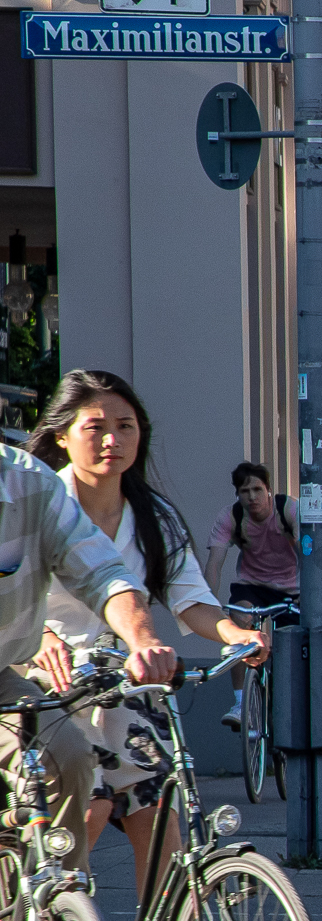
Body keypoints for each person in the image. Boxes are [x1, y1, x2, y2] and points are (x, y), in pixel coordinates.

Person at [9, 371, 204, 877]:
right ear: (61, 435)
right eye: (96, 427)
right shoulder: (48, 492)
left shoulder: (149, 515)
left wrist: (149, 640)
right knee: (85, 808)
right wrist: (41, 641)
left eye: (126, 426)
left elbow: (115, 580)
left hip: (117, 677)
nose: (112, 441)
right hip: (46, 675)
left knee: (158, 809)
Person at [206, 460, 295, 728]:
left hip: (292, 588)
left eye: (258, 489)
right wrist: (208, 604)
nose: (252, 497)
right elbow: (214, 564)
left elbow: (308, 550)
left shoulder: (287, 510)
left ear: (269, 490)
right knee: (238, 628)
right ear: (238, 494)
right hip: (252, 586)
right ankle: (241, 701)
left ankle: (291, 702)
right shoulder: (231, 517)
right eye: (245, 491)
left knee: (293, 643)